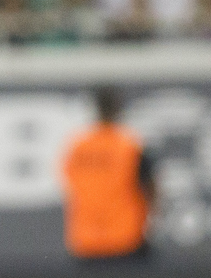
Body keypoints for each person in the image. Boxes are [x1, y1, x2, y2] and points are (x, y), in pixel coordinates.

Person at [61, 86, 154, 260]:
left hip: (85, 240)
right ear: (118, 108)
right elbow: (149, 188)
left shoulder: (78, 147)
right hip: (126, 238)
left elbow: (69, 182)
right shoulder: (129, 145)